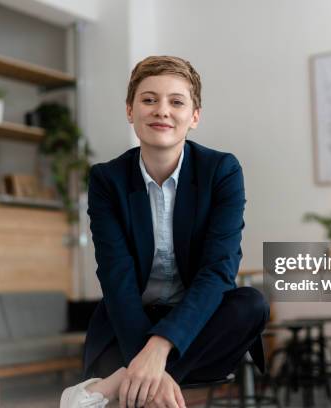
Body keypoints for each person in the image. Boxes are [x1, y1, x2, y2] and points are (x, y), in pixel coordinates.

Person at [61, 56, 269, 408]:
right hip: (129, 320)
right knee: (127, 318)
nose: (162, 111)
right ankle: (146, 378)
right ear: (130, 111)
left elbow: (218, 270)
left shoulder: (222, 171)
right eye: (149, 99)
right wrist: (146, 350)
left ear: (195, 116)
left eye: (176, 101)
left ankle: (119, 381)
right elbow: (116, 277)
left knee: (251, 304)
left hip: (196, 324)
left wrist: (159, 348)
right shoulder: (106, 180)